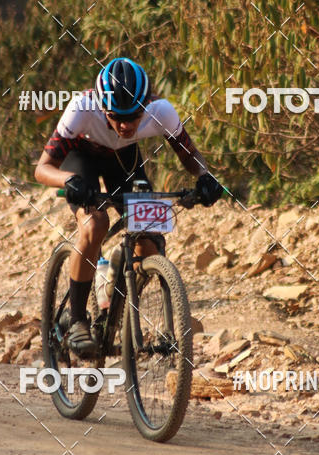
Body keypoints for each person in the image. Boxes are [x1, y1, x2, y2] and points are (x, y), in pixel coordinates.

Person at [34, 57, 223, 353]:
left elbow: (189, 155)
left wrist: (204, 176)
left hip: (124, 163)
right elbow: (42, 168)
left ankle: (112, 290)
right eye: (115, 117)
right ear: (101, 107)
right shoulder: (81, 109)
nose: (124, 125)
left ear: (146, 106)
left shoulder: (162, 111)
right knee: (95, 224)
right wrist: (68, 180)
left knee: (149, 243)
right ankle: (78, 321)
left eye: (133, 117)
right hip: (81, 161)